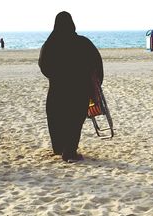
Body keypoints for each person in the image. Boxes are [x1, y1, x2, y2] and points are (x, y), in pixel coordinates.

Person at [39, 11, 103, 163]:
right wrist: (96, 83)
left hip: (57, 89)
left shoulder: (50, 44)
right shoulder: (83, 43)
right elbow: (96, 63)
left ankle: (59, 148)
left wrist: (56, 76)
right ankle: (69, 151)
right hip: (79, 89)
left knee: (57, 117)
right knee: (74, 119)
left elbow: (43, 65)